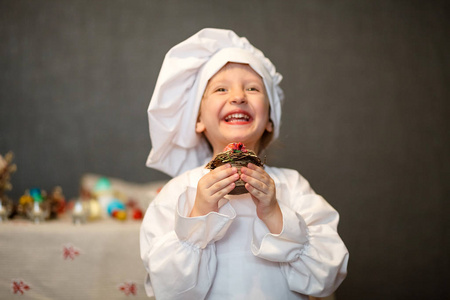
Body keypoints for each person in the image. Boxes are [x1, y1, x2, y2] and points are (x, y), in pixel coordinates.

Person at [140, 28, 349, 300]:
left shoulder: (292, 186)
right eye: (220, 89)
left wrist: (275, 213)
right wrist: (198, 215)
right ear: (197, 119)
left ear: (270, 120)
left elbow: (326, 277)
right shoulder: (178, 191)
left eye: (252, 88)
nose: (238, 96)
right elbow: (167, 289)